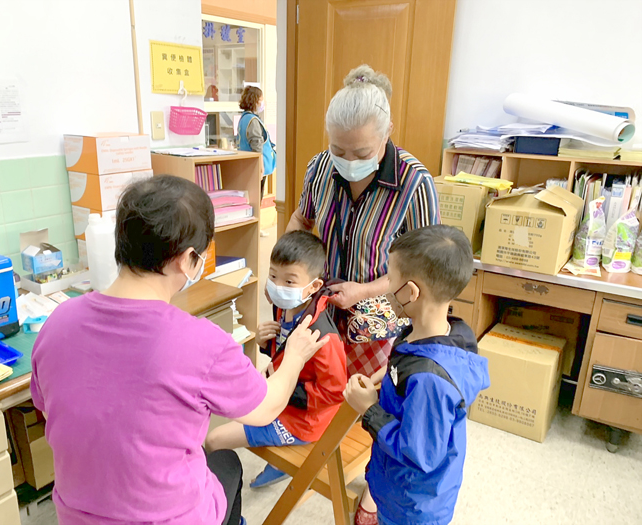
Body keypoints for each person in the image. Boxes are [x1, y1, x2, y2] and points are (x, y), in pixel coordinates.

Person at [30, 175, 328, 525]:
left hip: (75, 515)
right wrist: (293, 355)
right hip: (169, 518)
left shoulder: (57, 322)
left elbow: (54, 411)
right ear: (188, 259)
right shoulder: (200, 342)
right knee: (226, 463)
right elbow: (264, 409)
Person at [286, 64, 441, 523]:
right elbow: (301, 219)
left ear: (388, 133)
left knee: (372, 402)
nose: (347, 159)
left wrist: (366, 291)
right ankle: (308, 443)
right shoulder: (319, 167)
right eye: (338, 149)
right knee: (316, 381)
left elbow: (423, 269)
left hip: (381, 314)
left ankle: (373, 487)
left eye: (361, 151)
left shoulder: (415, 183)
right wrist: (291, 268)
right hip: (324, 305)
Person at [344, 225, 490, 525]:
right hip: (398, 488)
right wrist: (385, 379)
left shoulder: (430, 381)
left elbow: (418, 453)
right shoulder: (430, 334)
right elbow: (409, 368)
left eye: (390, 280)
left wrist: (369, 409)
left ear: (410, 292)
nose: (385, 289)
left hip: (411, 506)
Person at [206, 231, 346, 488]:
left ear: (314, 286)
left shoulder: (323, 336)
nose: (277, 286)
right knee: (225, 409)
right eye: (272, 276)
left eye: (289, 282)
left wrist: (283, 389)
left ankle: (219, 505)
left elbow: (334, 392)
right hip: (280, 401)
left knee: (214, 439)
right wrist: (265, 343)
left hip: (301, 422)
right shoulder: (286, 308)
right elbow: (285, 356)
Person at [237, 85, 276, 196]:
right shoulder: (253, 120)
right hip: (257, 166)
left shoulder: (244, 118)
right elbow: (257, 145)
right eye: (261, 100)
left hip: (247, 165)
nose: (262, 103)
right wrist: (260, 166)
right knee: (257, 197)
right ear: (254, 101)